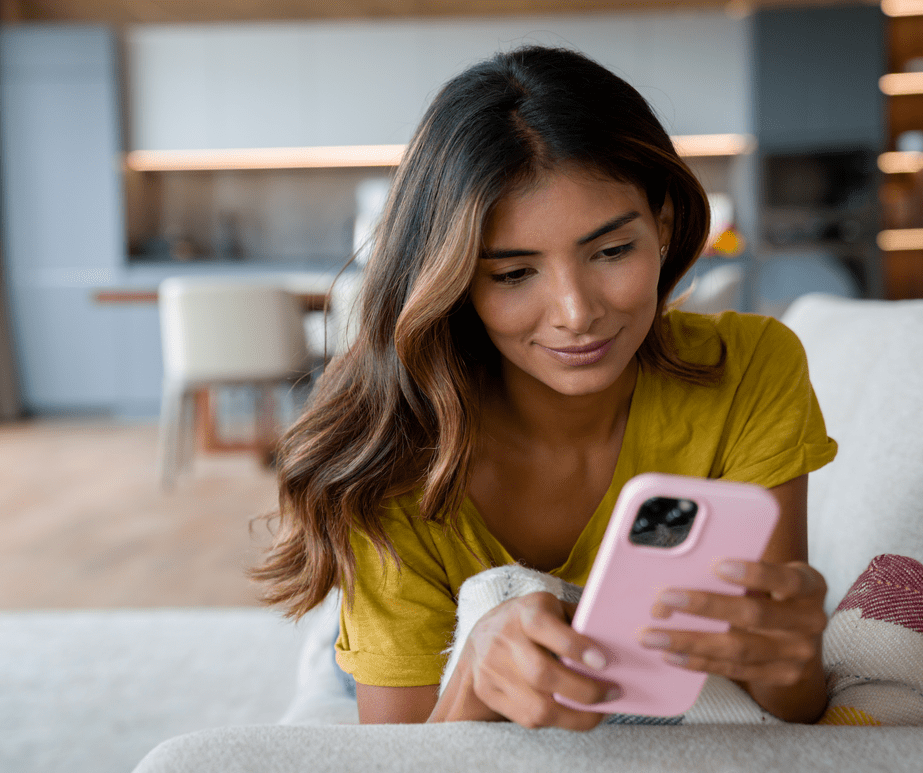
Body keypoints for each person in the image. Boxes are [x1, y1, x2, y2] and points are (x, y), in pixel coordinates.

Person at [253, 45, 838, 730]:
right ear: (458, 281)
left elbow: (787, 704)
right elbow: (405, 754)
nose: (576, 311)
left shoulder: (751, 370)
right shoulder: (390, 451)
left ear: (665, 226)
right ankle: (336, 641)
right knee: (336, 669)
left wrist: (794, 663)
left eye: (612, 251)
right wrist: (471, 671)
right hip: (418, 646)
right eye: (512, 273)